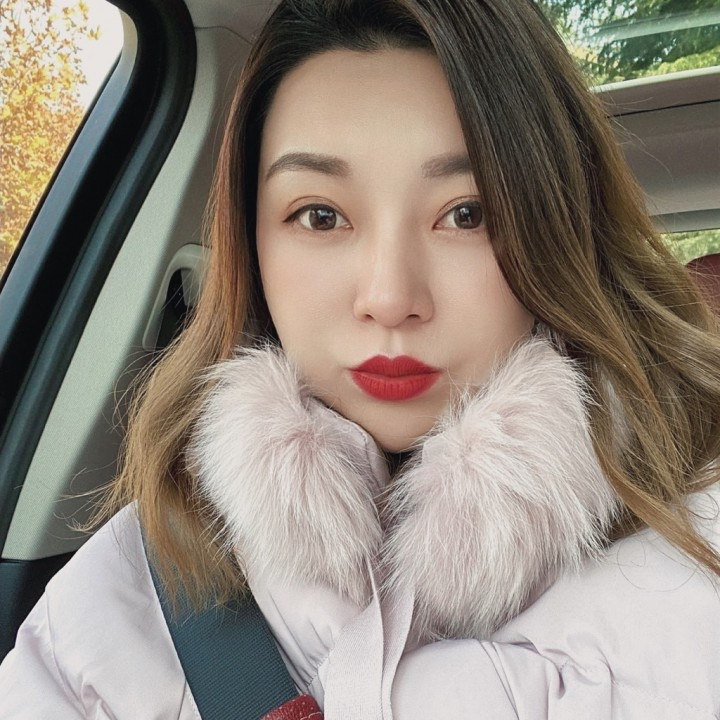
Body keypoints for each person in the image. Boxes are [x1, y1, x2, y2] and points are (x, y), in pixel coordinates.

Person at [2, 0, 720, 717]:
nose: (389, 297)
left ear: (562, 227)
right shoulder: (128, 593)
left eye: (467, 214)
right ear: (251, 243)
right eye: (320, 216)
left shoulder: (698, 551)